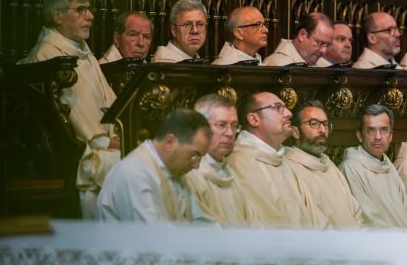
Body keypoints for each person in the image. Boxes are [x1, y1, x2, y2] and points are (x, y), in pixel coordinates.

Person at [19, 0, 120, 219]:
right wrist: (105, 142)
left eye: (89, 9)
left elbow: (111, 102)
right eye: (81, 10)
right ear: (57, 15)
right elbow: (69, 118)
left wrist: (121, 134)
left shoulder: (81, 50)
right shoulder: (49, 54)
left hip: (106, 143)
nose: (91, 16)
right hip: (78, 153)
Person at [97, 109, 211, 223]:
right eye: (194, 156)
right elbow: (152, 236)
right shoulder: (134, 174)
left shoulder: (175, 172)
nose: (196, 166)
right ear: (169, 142)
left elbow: (197, 219)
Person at [227, 91, 315, 227]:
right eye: (278, 107)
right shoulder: (240, 164)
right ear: (254, 119)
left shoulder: (284, 161)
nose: (289, 113)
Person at [339, 104, 407, 229]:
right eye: (371, 130)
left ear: (390, 135)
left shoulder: (388, 165)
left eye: (383, 130)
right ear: (359, 135)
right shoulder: (350, 168)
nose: (378, 137)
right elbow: (369, 219)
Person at [286, 100, 363, 228]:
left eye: (325, 124)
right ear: (295, 132)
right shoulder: (289, 168)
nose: (322, 130)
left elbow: (356, 211)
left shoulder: (329, 165)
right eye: (314, 124)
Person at [186, 94, 259, 227]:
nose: (230, 133)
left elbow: (252, 221)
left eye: (234, 126)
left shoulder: (229, 172)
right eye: (222, 125)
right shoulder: (189, 174)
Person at [263, 12, 334, 66]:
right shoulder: (279, 64)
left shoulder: (323, 65)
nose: (323, 51)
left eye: (327, 45)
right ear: (302, 35)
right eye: (320, 43)